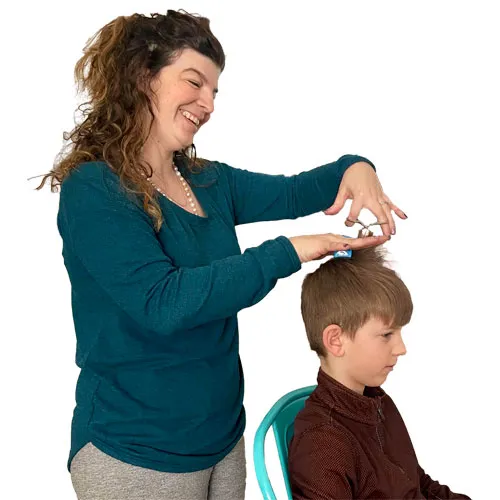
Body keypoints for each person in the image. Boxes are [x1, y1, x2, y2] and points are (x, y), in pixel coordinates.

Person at [36, 9, 406, 500]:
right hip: (134, 453)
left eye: (214, 91)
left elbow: (298, 191)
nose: (207, 103)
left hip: (222, 443)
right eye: (194, 82)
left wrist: (357, 167)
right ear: (143, 76)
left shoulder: (209, 182)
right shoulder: (94, 190)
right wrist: (287, 252)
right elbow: (164, 303)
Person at [288, 241, 470, 499]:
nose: (401, 348)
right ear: (336, 341)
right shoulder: (323, 442)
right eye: (387, 334)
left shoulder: (378, 404)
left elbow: (419, 484)